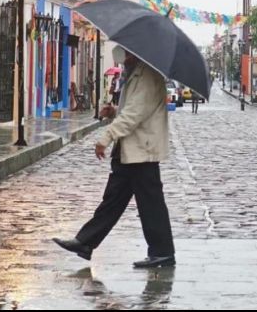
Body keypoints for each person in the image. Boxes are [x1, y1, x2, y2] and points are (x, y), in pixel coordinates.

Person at [54, 46, 176, 269]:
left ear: (136, 53)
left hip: (142, 151)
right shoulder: (136, 74)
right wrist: (114, 112)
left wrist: (106, 137)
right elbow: (130, 111)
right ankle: (85, 242)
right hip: (130, 150)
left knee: (151, 204)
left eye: (127, 55)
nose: (124, 60)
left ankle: (163, 253)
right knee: (112, 200)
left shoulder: (148, 77)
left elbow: (134, 115)